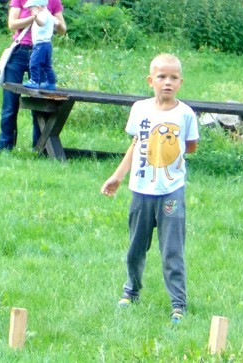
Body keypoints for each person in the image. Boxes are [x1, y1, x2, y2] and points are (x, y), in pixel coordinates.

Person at [100, 53, 199, 324]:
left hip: (171, 193)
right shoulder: (140, 109)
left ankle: (178, 303)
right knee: (136, 247)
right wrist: (117, 176)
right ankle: (131, 290)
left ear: (181, 82)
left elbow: (190, 147)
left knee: (172, 249)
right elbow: (136, 143)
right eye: (161, 77)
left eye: (173, 78)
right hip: (141, 191)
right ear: (150, 80)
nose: (167, 83)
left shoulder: (186, 114)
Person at [0, 0, 67, 151]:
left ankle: (40, 147)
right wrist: (35, 17)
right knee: (10, 102)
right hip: (20, 51)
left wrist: (49, 18)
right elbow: (12, 24)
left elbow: (63, 29)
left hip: (40, 50)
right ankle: (5, 146)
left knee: (40, 101)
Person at [21, 0, 63, 90]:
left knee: (34, 63)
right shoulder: (49, 14)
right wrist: (56, 22)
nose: (31, 11)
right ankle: (51, 82)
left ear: (39, 7)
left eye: (32, 8)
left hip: (40, 44)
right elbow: (56, 21)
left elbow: (41, 23)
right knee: (46, 65)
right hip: (47, 44)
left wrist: (35, 17)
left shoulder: (42, 15)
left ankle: (34, 81)